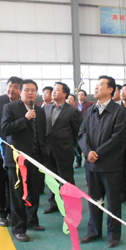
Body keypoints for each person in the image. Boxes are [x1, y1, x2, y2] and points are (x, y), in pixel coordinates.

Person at [78, 76, 126, 248]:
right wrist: (88, 152)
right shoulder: (90, 110)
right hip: (92, 165)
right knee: (94, 200)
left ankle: (113, 234)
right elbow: (82, 133)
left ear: (110, 90)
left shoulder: (118, 111)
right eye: (96, 85)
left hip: (110, 165)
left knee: (112, 202)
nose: (96, 87)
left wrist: (97, 153)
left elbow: (117, 137)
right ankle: (94, 231)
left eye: (100, 85)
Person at [1, 79, 47, 242]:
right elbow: (5, 129)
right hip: (17, 160)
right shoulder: (10, 108)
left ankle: (32, 221)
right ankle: (18, 228)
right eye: (27, 90)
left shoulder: (40, 110)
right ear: (20, 92)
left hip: (36, 159)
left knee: (34, 191)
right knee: (18, 194)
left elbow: (42, 134)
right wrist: (25, 119)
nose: (30, 93)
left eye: (33, 90)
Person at [0, 76, 23, 227]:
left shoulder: (22, 105)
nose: (11, 89)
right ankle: (0, 213)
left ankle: (11, 212)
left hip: (15, 152)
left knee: (13, 183)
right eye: (9, 86)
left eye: (15, 87)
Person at [43, 82, 82, 214]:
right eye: (53, 90)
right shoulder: (46, 108)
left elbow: (77, 131)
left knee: (66, 179)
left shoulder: (72, 111)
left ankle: (71, 205)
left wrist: (71, 147)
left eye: (57, 90)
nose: (53, 92)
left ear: (64, 94)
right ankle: (53, 203)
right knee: (52, 178)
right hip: (48, 150)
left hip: (64, 150)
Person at [74, 89, 94, 168]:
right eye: (79, 94)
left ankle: (88, 160)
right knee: (77, 146)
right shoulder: (74, 105)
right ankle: (78, 162)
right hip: (77, 127)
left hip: (86, 127)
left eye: (82, 94)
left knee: (86, 143)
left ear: (85, 97)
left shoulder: (89, 105)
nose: (80, 96)